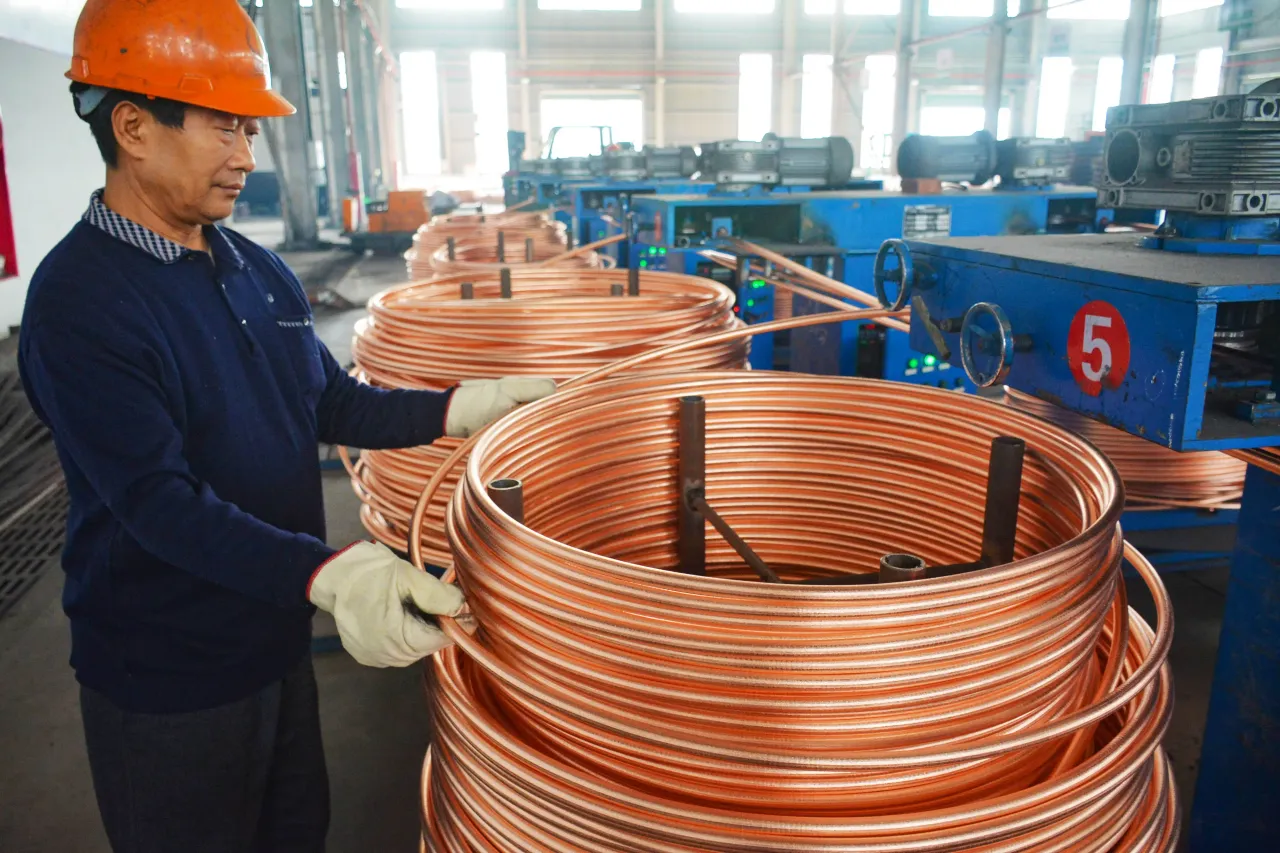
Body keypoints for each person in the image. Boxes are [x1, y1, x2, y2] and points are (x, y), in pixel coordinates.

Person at [17, 2, 554, 850]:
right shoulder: (80, 303)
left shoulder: (254, 268)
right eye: (225, 127)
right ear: (134, 127)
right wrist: (331, 572)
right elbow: (158, 503)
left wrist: (465, 405)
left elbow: (329, 403)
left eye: (251, 130)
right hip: (168, 678)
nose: (247, 156)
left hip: (275, 633)